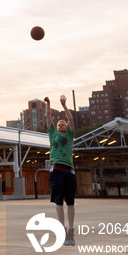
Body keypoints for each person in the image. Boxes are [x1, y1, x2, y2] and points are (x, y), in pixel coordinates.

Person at [44, 94, 76, 246]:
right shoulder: (52, 134)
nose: (61, 124)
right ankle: (62, 230)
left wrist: (64, 106)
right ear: (56, 128)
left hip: (69, 171)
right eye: (59, 124)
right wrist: (48, 104)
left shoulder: (69, 135)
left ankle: (71, 231)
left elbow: (71, 120)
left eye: (63, 123)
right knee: (58, 201)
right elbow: (48, 117)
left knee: (70, 202)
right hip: (56, 170)